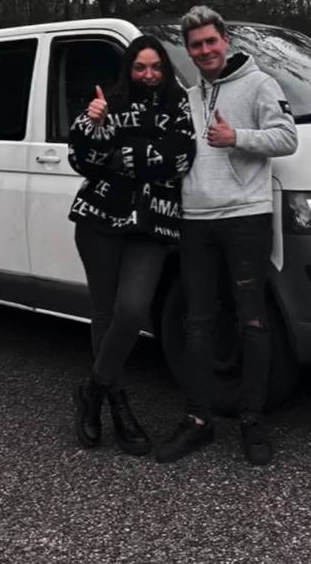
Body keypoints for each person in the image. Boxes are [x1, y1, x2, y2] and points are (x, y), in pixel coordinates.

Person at [155, 5, 298, 466]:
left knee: (251, 320)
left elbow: (287, 138)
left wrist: (237, 137)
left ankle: (252, 420)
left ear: (225, 41)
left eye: (210, 41)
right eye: (195, 45)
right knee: (197, 322)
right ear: (189, 51)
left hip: (245, 217)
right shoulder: (188, 97)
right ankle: (198, 420)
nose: (204, 50)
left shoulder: (259, 84)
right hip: (195, 219)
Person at [67, 35, 195, 456]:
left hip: (153, 225)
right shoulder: (109, 102)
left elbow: (181, 158)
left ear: (165, 68)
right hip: (99, 220)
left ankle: (92, 391)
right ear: (129, 69)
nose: (148, 74)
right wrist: (94, 126)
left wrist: (120, 156)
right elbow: (80, 160)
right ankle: (119, 405)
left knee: (132, 311)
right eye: (140, 67)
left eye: (155, 66)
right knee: (104, 314)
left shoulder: (180, 105)